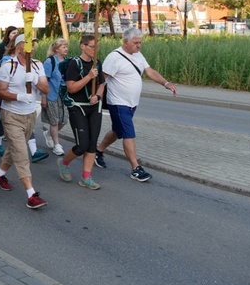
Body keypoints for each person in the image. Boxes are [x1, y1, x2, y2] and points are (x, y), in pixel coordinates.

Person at [95, 27, 178, 181]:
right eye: (136, 43)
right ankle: (135, 168)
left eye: (140, 42)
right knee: (128, 133)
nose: (139, 46)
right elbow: (102, 78)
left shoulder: (138, 55)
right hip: (118, 102)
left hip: (132, 103)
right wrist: (97, 96)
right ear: (125, 42)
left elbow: (149, 71)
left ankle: (98, 151)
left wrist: (165, 83)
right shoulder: (114, 57)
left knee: (117, 131)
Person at [0, 34, 50, 209]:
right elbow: (0, 92)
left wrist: (34, 81)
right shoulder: (8, 66)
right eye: (28, 44)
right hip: (11, 115)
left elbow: (46, 89)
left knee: (14, 149)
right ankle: (31, 194)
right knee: (22, 153)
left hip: (30, 115)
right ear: (18, 47)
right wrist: (19, 96)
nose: (32, 48)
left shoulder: (37, 65)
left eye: (33, 45)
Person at [57, 34, 106, 190]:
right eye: (92, 46)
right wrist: (88, 76)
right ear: (83, 46)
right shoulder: (74, 64)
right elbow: (71, 88)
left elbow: (102, 84)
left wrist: (97, 95)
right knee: (82, 145)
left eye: (96, 47)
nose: (94, 50)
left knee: (92, 144)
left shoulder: (97, 63)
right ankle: (64, 163)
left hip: (94, 107)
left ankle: (86, 177)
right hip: (77, 107)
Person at [0, 26, 18, 158]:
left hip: (16, 93)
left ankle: (33, 148)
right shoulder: (3, 49)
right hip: (5, 87)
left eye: (17, 33)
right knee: (2, 116)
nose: (15, 35)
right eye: (13, 33)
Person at [41, 38, 69, 156]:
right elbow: (44, 81)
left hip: (64, 95)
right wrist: (43, 97)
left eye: (66, 46)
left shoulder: (67, 61)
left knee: (64, 120)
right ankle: (56, 145)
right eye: (63, 47)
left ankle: (49, 134)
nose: (66, 49)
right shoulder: (50, 62)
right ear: (56, 49)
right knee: (54, 120)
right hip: (52, 94)